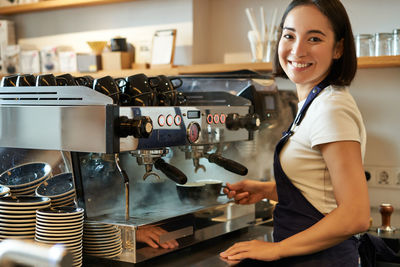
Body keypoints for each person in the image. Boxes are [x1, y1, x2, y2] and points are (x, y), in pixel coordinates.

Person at [220, 0, 370, 266]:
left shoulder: (331, 109)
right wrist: (268, 190)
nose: (297, 50)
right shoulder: (316, 101)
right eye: (289, 35)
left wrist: (275, 250)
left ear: (338, 48)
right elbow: (322, 192)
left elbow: (355, 215)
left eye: (314, 38)